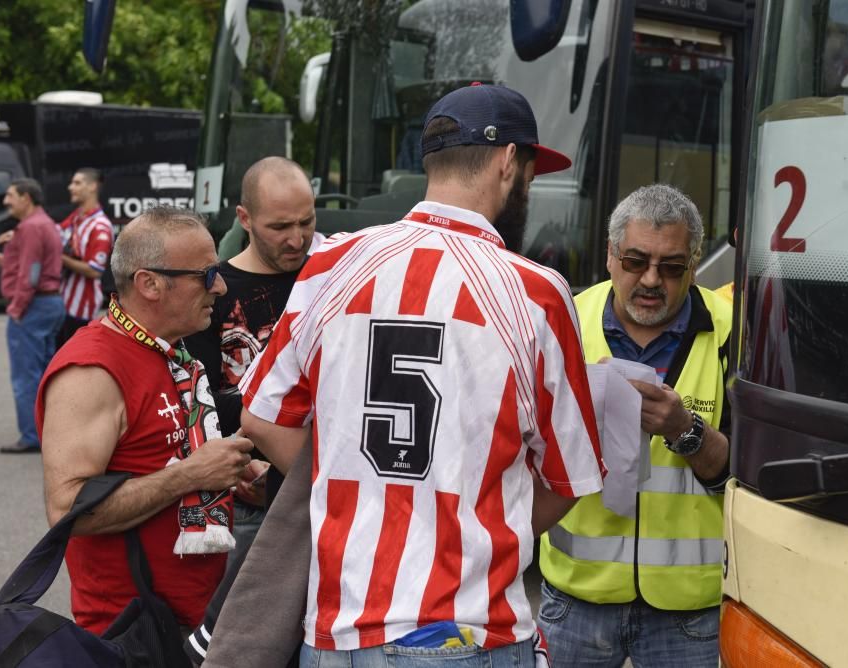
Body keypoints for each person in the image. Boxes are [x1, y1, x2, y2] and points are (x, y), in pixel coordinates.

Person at [237, 83, 605, 666]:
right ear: (509, 161)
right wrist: (476, 521)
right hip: (464, 633)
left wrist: (356, 488)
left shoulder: (330, 265)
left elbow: (260, 414)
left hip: (334, 631)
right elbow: (568, 477)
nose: (529, 184)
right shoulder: (536, 295)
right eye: (531, 169)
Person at [36, 205, 258, 634]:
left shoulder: (168, 347)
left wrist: (230, 472)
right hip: (135, 635)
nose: (221, 286)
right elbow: (68, 510)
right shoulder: (91, 371)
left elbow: (160, 453)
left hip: (194, 620)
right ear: (150, 284)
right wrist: (192, 474)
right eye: (206, 274)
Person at [538, 184, 732, 668]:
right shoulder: (559, 322)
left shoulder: (733, 330)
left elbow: (746, 477)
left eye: (670, 268)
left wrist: (686, 430)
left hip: (689, 611)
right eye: (635, 261)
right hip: (575, 600)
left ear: (694, 262)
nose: (651, 280)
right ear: (610, 256)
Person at [182, 156, 315, 664]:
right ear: (244, 218)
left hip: (316, 490)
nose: (297, 239)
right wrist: (236, 462)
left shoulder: (333, 276)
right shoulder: (214, 290)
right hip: (247, 500)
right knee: (238, 642)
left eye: (307, 222)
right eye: (280, 226)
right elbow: (195, 395)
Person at [0, 178, 65, 454]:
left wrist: (16, 307)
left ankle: (31, 436)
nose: (5, 201)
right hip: (48, 304)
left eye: (11, 196)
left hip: (33, 307)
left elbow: (32, 272)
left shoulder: (30, 227)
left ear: (26, 197)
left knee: (26, 375)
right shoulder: (43, 223)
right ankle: (49, 431)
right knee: (45, 374)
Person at [58, 167, 114, 346]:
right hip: (64, 302)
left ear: (92, 187)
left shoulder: (100, 226)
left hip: (81, 309)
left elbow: (94, 270)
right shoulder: (76, 218)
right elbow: (54, 233)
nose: (70, 187)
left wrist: (60, 258)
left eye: (77, 183)